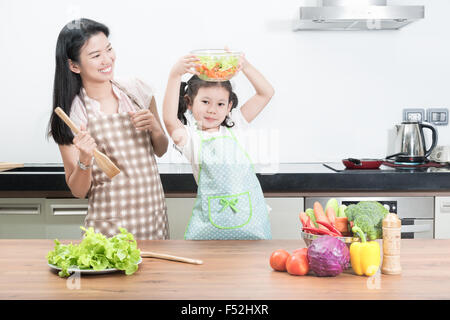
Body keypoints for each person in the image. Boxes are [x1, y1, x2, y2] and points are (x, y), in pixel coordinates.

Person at [48, 18, 170, 240]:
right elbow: (78, 191)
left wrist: (155, 128)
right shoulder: (72, 115)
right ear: (74, 65)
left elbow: (161, 149)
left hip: (152, 218)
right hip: (108, 229)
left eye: (109, 49)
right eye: (95, 55)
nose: (107, 60)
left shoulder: (137, 90)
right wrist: (85, 159)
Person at [162, 52, 275, 240]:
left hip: (252, 226)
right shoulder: (191, 140)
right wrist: (175, 75)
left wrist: (245, 65)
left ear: (229, 106)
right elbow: (169, 119)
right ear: (189, 103)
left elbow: (266, 93)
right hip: (209, 231)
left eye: (221, 104)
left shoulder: (236, 125)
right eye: (205, 102)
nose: (213, 110)